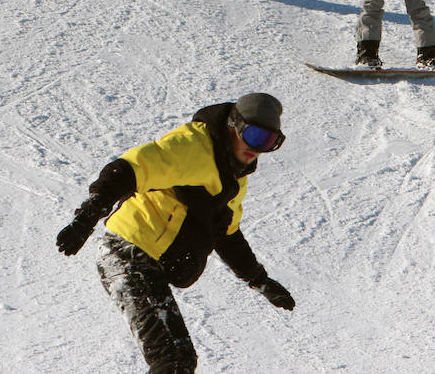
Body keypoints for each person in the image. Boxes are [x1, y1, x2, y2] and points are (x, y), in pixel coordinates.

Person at [56, 93, 295, 373]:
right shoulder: (193, 146)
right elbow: (131, 168)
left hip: (147, 262)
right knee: (171, 361)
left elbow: (226, 234)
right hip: (127, 253)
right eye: (254, 136)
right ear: (234, 124)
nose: (257, 149)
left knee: (180, 360)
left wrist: (260, 280)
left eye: (269, 142)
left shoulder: (233, 178)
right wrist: (88, 215)